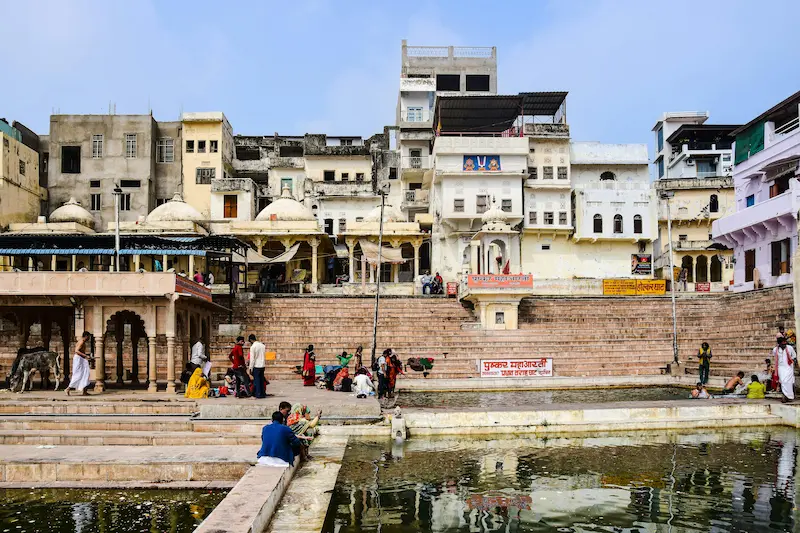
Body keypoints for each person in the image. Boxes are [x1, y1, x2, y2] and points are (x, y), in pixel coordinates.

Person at [65, 331, 92, 396]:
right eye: (88, 337)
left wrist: (86, 356)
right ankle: (68, 389)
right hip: (78, 359)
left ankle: (84, 391)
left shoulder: (83, 342)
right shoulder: (81, 342)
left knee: (85, 373)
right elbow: (76, 351)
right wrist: (85, 356)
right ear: (86, 336)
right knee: (78, 374)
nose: (89, 338)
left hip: (82, 359)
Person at [773, 336, 796, 403]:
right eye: (783, 344)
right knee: (783, 381)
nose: (784, 345)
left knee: (788, 382)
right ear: (779, 344)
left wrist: (792, 361)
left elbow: (794, 356)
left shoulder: (790, 348)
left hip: (789, 367)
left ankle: (788, 396)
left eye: (785, 344)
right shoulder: (775, 349)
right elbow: (775, 358)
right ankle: (786, 396)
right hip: (780, 367)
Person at [248, 334, 267, 399]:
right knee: (261, 380)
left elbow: (252, 359)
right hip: (262, 365)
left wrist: (250, 368)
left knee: (257, 381)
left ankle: (258, 394)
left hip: (256, 366)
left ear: (251, 340)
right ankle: (262, 393)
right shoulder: (262, 345)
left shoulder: (253, 347)